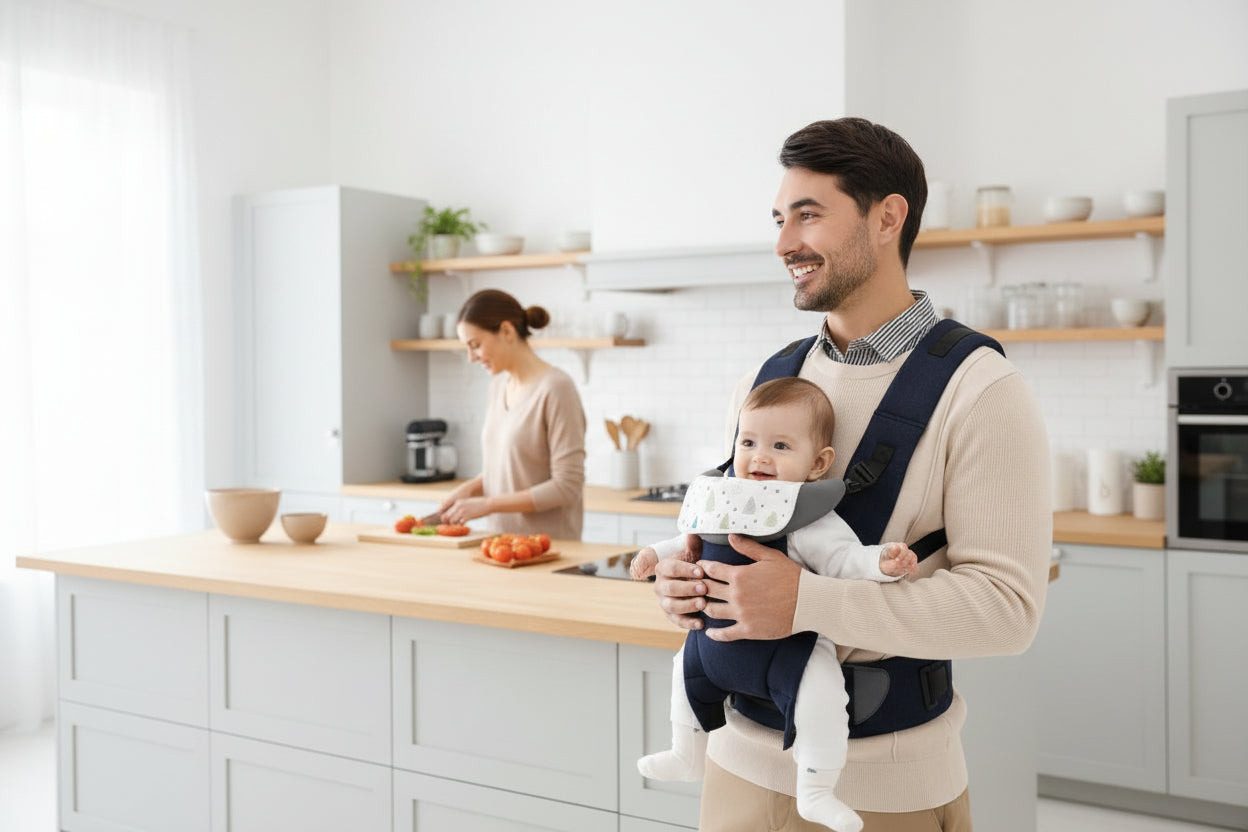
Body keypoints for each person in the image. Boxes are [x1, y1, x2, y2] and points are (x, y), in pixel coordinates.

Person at [651, 118, 1052, 831]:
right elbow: (731, 523)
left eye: (810, 215)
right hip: (735, 761)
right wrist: (686, 583)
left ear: (887, 218)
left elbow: (1006, 611)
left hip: (884, 788)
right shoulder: (769, 379)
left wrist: (806, 603)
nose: (783, 244)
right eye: (779, 220)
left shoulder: (982, 390)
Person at [631, 376, 918, 832]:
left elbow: (843, 558)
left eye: (780, 446)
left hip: (791, 649)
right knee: (679, 672)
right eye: (748, 442)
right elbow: (685, 544)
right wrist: (655, 557)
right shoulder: (721, 498)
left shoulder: (805, 515)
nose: (759, 456)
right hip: (710, 644)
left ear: (818, 463)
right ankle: (687, 753)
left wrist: (881, 562)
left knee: (824, 696)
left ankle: (817, 789)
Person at [438, 289, 586, 540]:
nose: (471, 357)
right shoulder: (498, 388)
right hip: (500, 545)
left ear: (507, 331)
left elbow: (566, 486)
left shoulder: (556, 388)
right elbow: (510, 469)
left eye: (475, 345)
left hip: (547, 550)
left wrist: (487, 504)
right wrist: (472, 488)